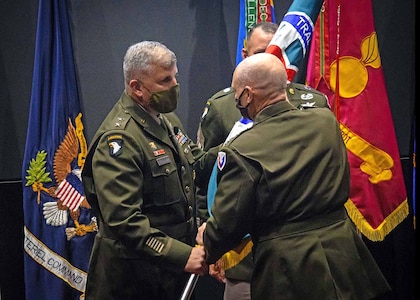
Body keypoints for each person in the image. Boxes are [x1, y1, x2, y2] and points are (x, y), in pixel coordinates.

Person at [196, 52, 391, 299]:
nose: (236, 100)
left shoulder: (242, 149)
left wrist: (207, 239)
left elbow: (229, 222)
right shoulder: (325, 121)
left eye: (237, 94)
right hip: (344, 255)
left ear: (247, 95)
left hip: (289, 268)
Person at [195, 22, 330, 300]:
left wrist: (211, 241)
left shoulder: (315, 104)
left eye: (277, 54)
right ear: (244, 54)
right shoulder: (222, 107)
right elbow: (206, 181)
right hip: (245, 262)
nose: (270, 58)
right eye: (260, 53)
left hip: (317, 255)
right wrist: (218, 250)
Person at [81, 41, 209, 300]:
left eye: (175, 76)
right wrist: (182, 254)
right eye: (164, 80)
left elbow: (197, 165)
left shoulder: (165, 119)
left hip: (169, 273)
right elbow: (123, 220)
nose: (174, 85)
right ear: (136, 88)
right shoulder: (119, 139)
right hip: (133, 278)